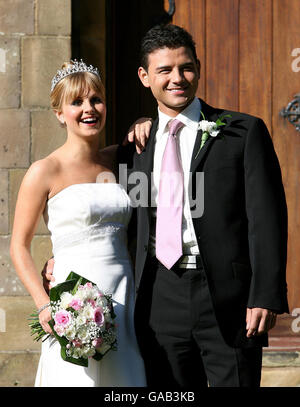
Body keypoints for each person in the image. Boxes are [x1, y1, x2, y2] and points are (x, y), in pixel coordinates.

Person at [44, 24, 289, 387]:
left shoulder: (243, 132)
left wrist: (265, 295)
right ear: (145, 77)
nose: (178, 78)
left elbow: (267, 220)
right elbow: (113, 219)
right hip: (157, 300)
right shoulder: (132, 149)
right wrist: (58, 260)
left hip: (228, 300)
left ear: (199, 68)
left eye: (186, 67)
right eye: (165, 70)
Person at [10, 59, 151, 387]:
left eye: (96, 99)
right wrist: (44, 305)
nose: (89, 108)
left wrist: (146, 122)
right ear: (60, 113)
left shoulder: (121, 159)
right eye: (77, 102)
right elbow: (18, 245)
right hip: (73, 304)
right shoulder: (44, 171)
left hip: (124, 295)